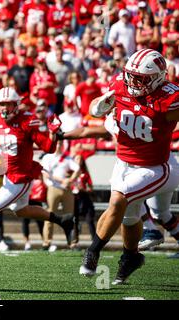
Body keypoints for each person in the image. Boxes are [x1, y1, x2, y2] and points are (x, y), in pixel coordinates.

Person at [76, 49, 179, 284]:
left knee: (119, 201)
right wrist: (99, 107)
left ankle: (93, 251)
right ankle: (131, 256)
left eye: (140, 78)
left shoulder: (169, 98)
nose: (133, 82)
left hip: (153, 167)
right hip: (123, 162)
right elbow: (94, 108)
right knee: (129, 218)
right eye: (131, 76)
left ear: (157, 78)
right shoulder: (121, 85)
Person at [0, 87, 74, 255]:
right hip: (8, 176)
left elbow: (48, 147)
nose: (4, 108)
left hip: (21, 177)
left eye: (7, 104)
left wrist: (53, 134)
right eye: (1, 104)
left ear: (16, 104)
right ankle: (63, 220)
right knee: (22, 210)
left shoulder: (27, 121)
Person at [41, 140, 81, 251]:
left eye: (60, 144)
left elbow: (77, 169)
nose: (58, 146)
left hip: (67, 189)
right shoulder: (47, 157)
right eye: (57, 143)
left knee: (70, 216)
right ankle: (46, 242)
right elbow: (46, 173)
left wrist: (70, 180)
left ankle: (72, 243)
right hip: (53, 188)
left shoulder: (67, 158)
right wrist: (63, 180)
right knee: (49, 215)